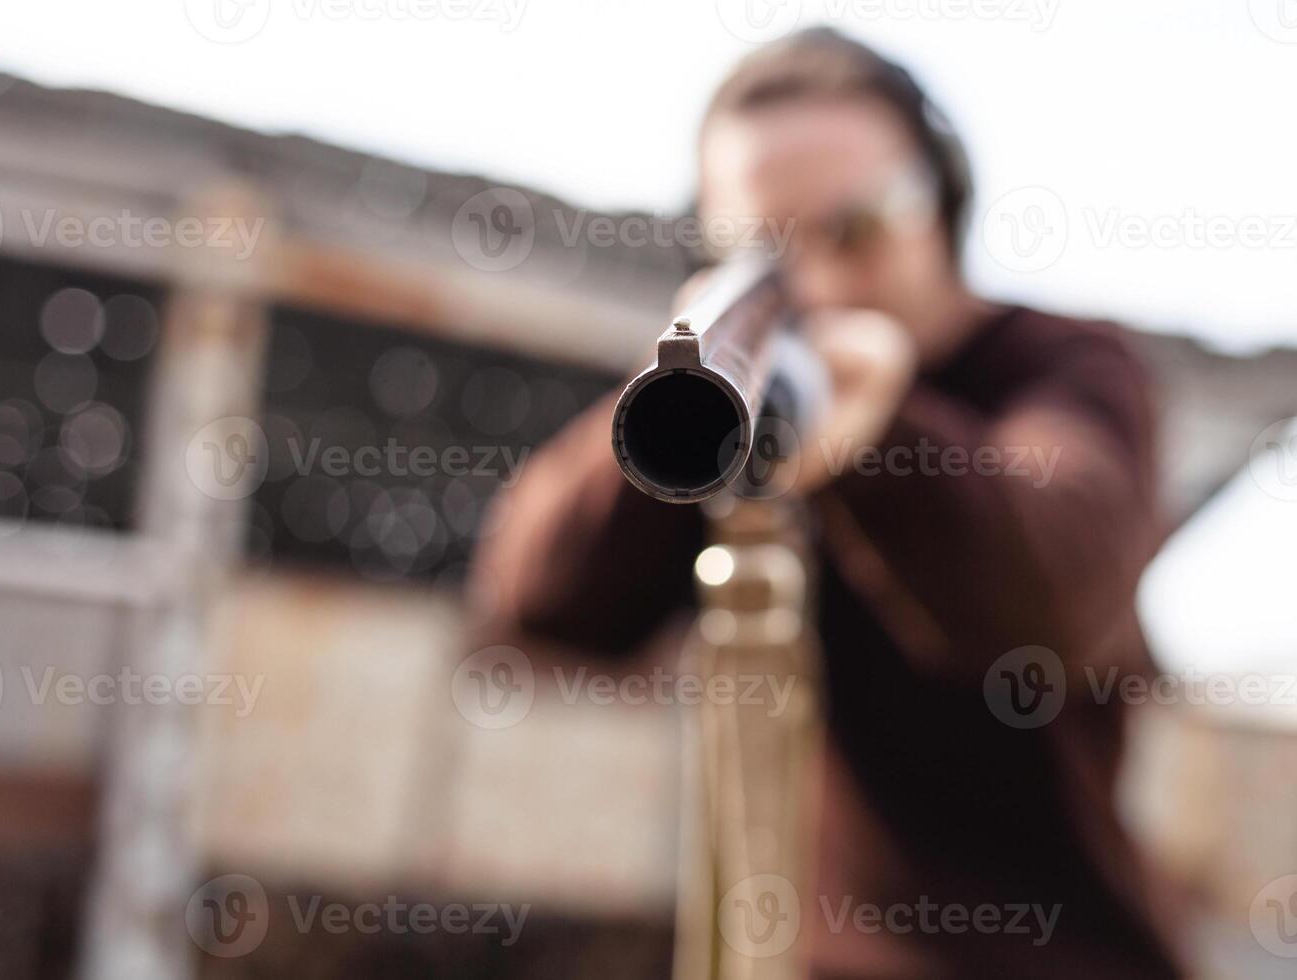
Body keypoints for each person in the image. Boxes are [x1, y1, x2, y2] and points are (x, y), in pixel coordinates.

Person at [468, 28, 1187, 980]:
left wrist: (877, 429)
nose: (818, 282)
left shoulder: (1062, 369)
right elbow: (541, 606)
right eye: (762, 250)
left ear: (943, 202)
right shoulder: (749, 385)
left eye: (855, 227)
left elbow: (1042, 599)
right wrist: (686, 402)